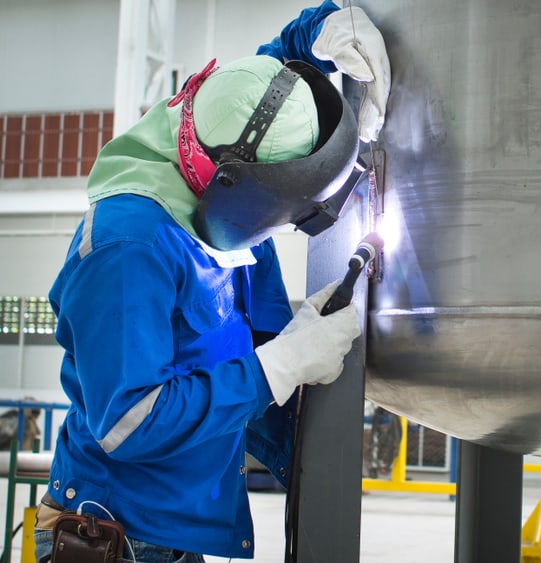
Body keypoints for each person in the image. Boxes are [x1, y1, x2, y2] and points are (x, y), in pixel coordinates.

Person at [33, 2, 389, 561]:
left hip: (176, 531)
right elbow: (129, 422)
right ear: (232, 187)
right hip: (119, 538)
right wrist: (278, 368)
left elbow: (266, 88)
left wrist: (321, 29)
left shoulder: (218, 128)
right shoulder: (130, 248)